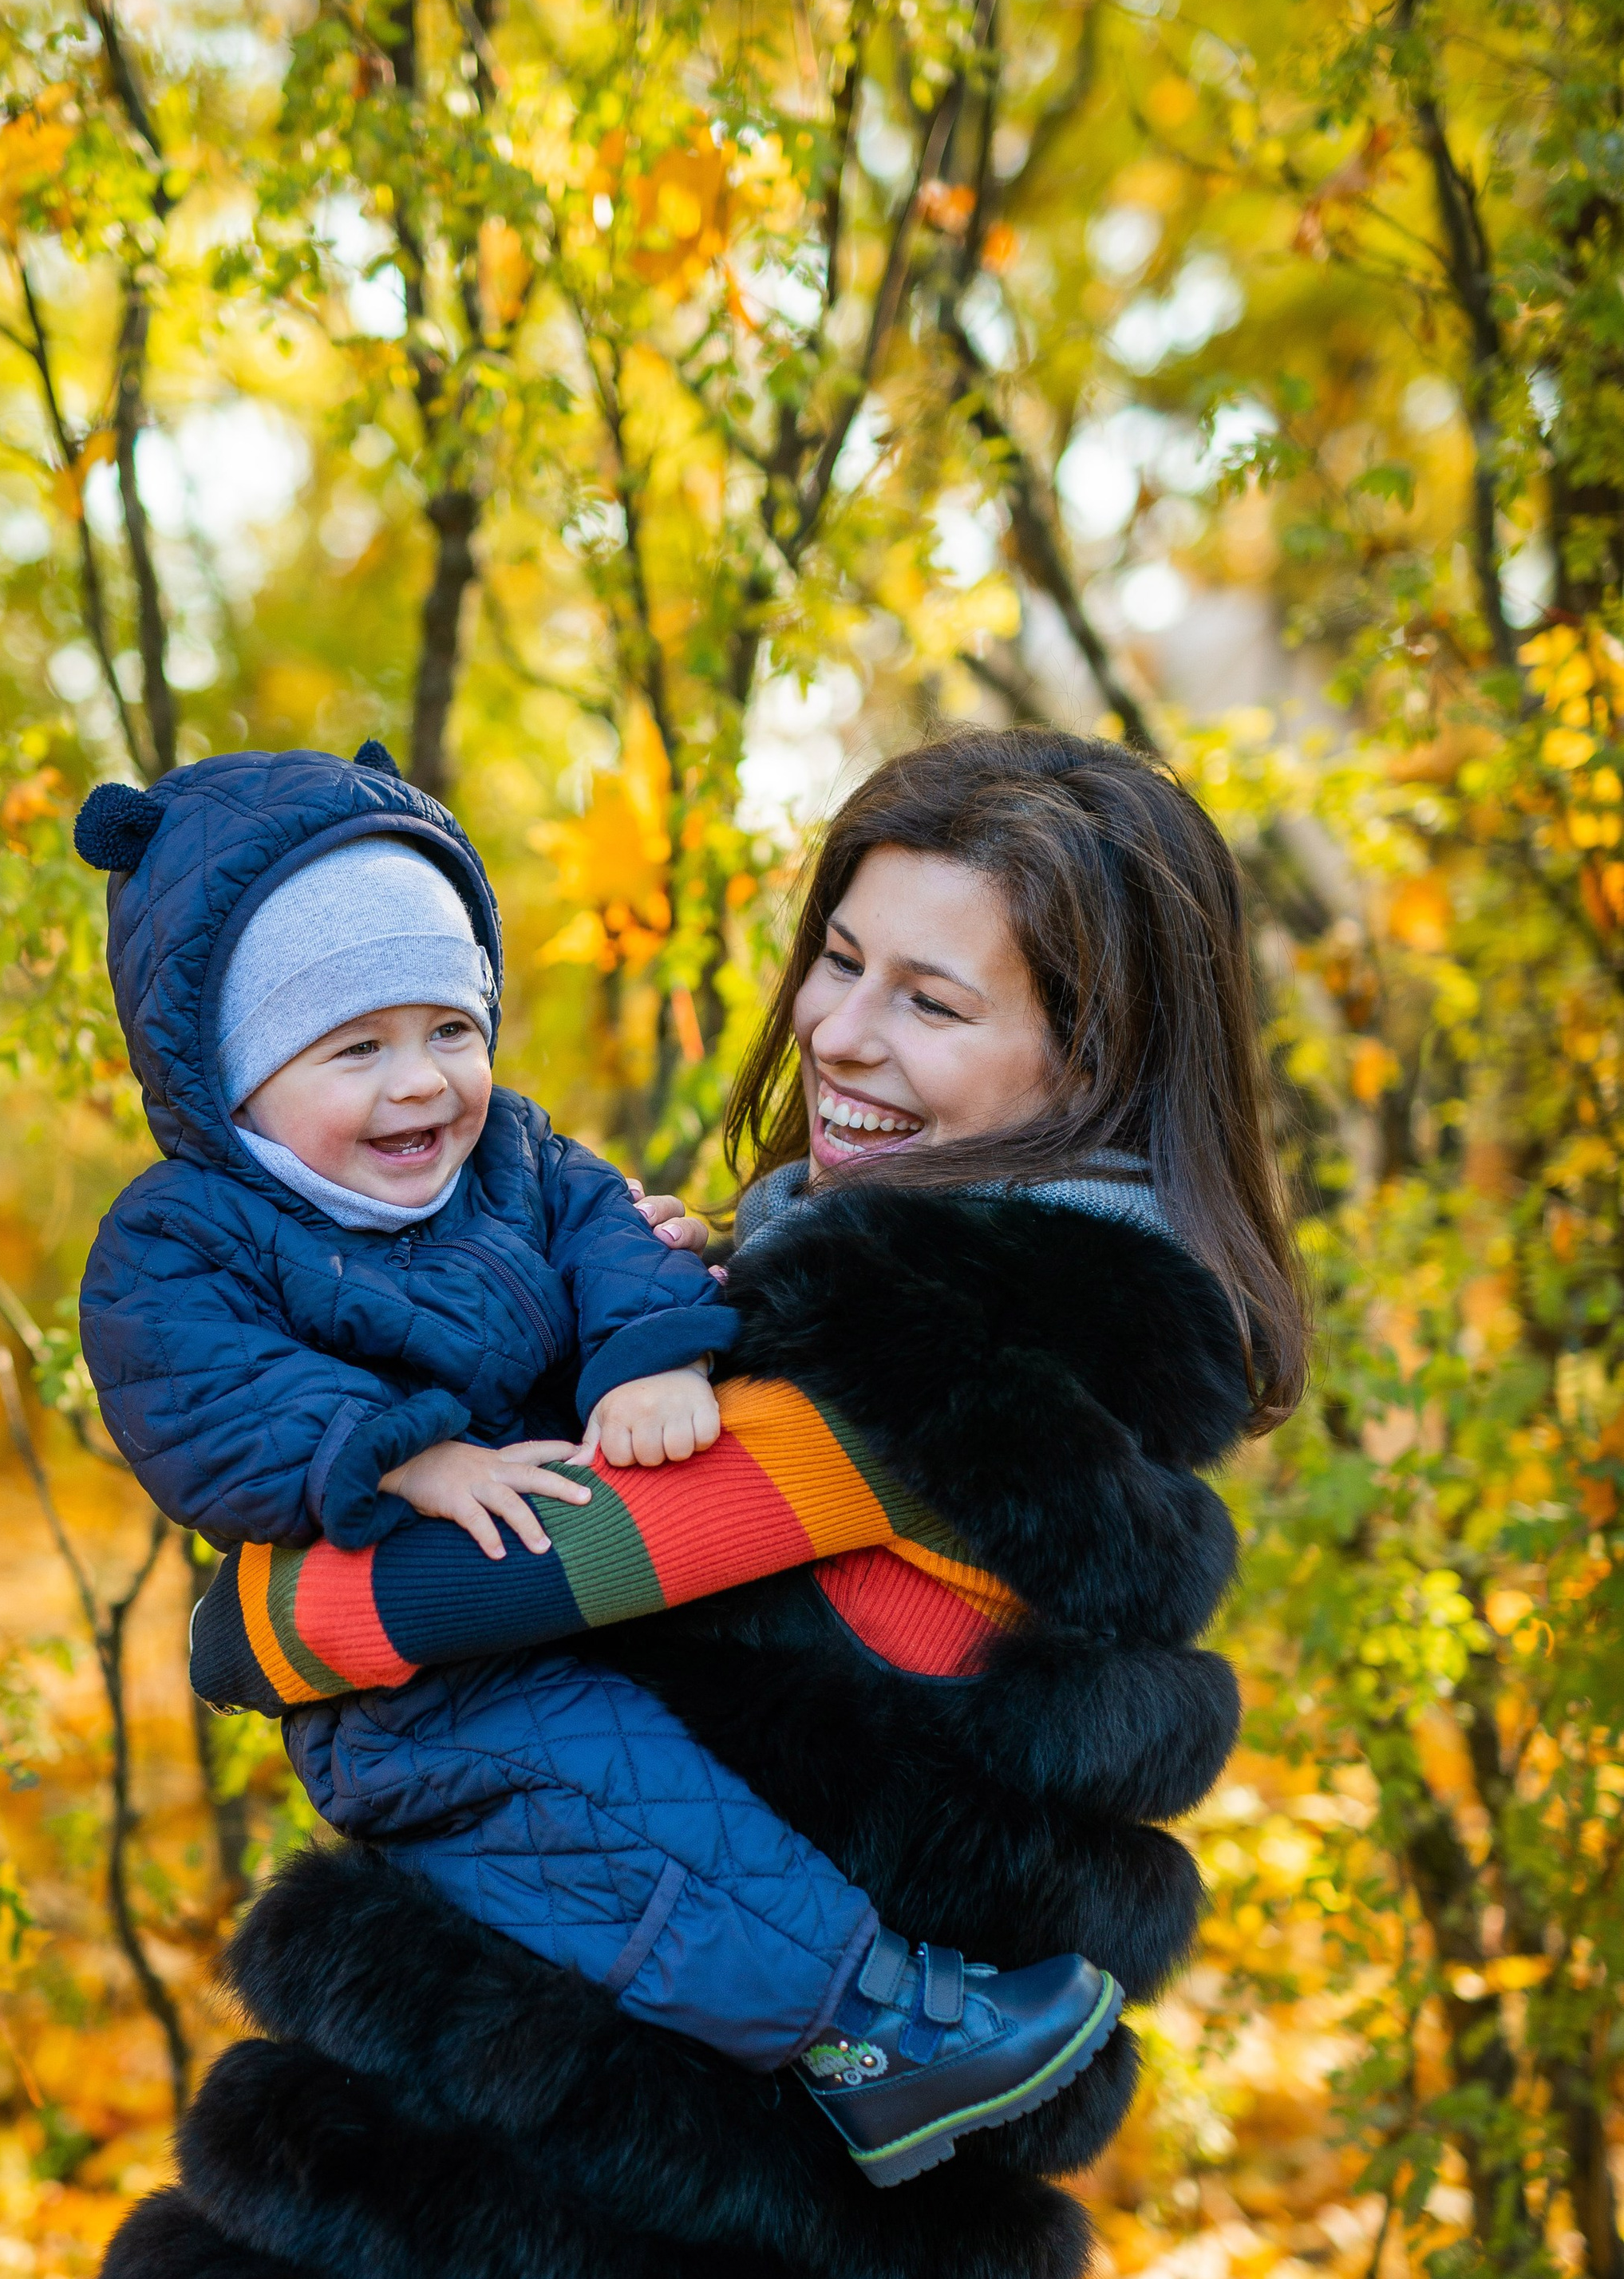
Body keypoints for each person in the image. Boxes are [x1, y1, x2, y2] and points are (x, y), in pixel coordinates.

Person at [0, 728, 1307, 2279]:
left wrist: (257, 1604)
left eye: (933, 1002)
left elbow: (365, 1612)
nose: (845, 1034)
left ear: (1099, 1052)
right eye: (841, 958)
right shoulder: (826, 1287)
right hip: (444, 2237)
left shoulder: (945, 1374)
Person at [73, 744, 1116, 2189]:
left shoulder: (929, 1337)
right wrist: (407, 1456)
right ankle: (867, 2019)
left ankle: (880, 2022)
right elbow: (199, 1393)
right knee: (622, 1802)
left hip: (488, 1659)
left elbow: (606, 1240)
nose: (421, 1083)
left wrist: (646, 1354)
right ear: (239, 1082)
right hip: (425, 1705)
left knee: (641, 1813)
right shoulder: (192, 1236)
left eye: (451, 1028)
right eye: (353, 1049)